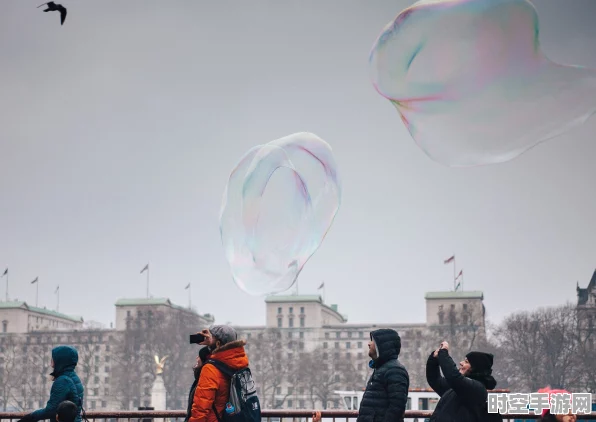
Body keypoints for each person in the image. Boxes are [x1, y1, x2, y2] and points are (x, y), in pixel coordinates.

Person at [189, 325, 249, 422]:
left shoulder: (210, 369)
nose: (208, 338)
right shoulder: (240, 364)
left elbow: (201, 408)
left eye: (211, 337)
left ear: (217, 343)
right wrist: (211, 344)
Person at [426, 341, 497, 422]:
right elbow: (435, 380)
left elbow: (453, 376)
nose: (461, 363)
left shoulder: (477, 388)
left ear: (476, 368)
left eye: (466, 362)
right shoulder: (458, 387)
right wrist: (434, 359)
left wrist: (444, 352)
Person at [18, 346, 84, 422]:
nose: (51, 364)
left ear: (60, 360)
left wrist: (29, 417)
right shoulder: (74, 377)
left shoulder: (63, 381)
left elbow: (50, 410)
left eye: (53, 359)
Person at [357, 329, 410, 422]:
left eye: (373, 341)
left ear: (381, 346)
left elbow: (396, 408)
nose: (369, 344)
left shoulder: (395, 370)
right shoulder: (381, 369)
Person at [185, 346, 212, 422]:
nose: (197, 358)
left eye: (199, 356)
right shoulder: (200, 379)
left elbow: (201, 409)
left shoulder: (205, 379)